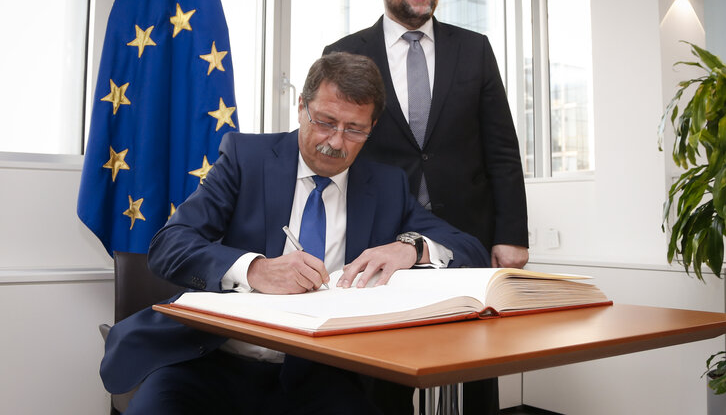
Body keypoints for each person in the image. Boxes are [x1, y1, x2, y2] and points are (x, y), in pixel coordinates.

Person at [99, 52, 489, 414]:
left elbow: (470, 250)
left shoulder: (385, 185)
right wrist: (254, 270)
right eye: (325, 122)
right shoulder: (245, 159)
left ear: (372, 128)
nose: (336, 142)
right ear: (301, 106)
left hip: (324, 373)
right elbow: (169, 245)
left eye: (354, 129)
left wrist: (411, 247)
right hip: (213, 360)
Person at [323, 0, 529, 414]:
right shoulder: (345, 51)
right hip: (376, 236)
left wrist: (511, 233)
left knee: (473, 365)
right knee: (379, 369)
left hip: (466, 237)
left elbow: (502, 147)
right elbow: (335, 145)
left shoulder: (474, 49)